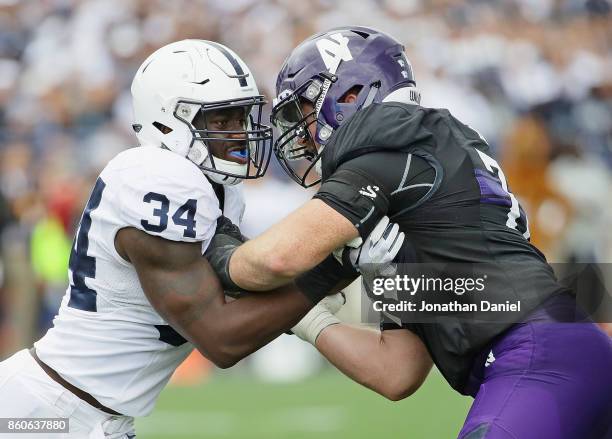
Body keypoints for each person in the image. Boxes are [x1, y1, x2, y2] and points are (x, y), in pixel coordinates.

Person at [207, 27, 612, 439]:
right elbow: (396, 373)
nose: (306, 134)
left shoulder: (389, 149)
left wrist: (217, 245)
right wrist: (303, 315)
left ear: (350, 94)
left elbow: (274, 259)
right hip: (564, 353)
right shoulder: (419, 187)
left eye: (307, 112)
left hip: (536, 359)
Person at [0, 39, 397, 438]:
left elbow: (244, 284)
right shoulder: (154, 176)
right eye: (221, 121)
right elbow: (221, 340)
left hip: (83, 415)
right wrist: (335, 264)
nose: (240, 134)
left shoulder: (214, 191)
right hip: (41, 415)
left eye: (242, 117)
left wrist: (330, 261)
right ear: (166, 122)